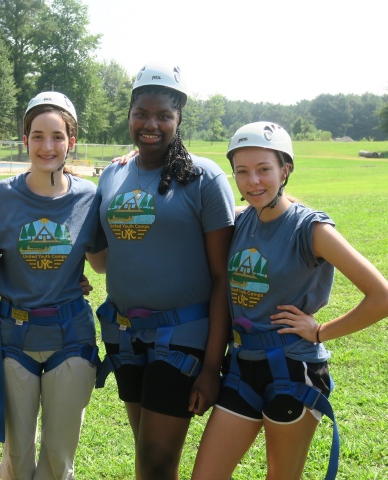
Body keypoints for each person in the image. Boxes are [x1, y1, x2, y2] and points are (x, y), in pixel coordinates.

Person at [190, 122, 388, 480]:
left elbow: (385, 299)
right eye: (242, 172)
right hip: (242, 367)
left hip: (293, 370)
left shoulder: (312, 229)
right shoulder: (240, 222)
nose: (252, 181)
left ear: (285, 170)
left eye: (263, 170)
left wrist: (319, 331)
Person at [87, 63, 235, 480]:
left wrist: (211, 365)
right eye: (141, 114)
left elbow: (222, 277)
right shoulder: (114, 173)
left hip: (183, 335)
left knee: (156, 459)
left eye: (163, 116)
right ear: (129, 115)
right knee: (147, 457)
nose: (151, 124)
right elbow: (100, 259)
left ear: (179, 119)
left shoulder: (204, 178)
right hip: (126, 335)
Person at [0, 91, 100, 480]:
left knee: (58, 456)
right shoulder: (0, 196)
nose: (47, 146)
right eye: (37, 135)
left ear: (72, 141)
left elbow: (100, 264)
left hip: (71, 333)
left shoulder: (90, 196)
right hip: (14, 335)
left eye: (57, 136)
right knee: (16, 456)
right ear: (25, 140)